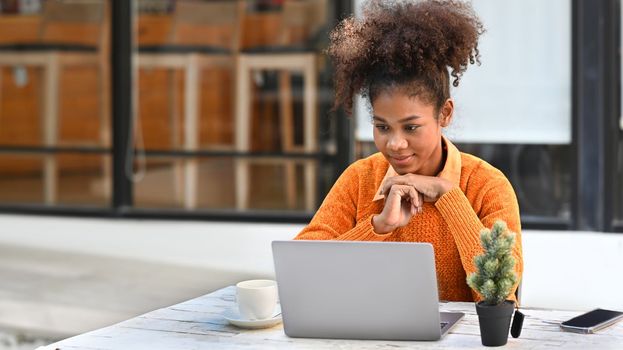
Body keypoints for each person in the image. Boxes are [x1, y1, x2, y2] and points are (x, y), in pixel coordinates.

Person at [294, 0, 523, 302]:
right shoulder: (361, 179)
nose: (394, 144)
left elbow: (502, 294)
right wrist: (378, 227)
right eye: (383, 127)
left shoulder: (486, 185)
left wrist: (448, 197)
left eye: (410, 127)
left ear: (444, 114)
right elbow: (302, 272)